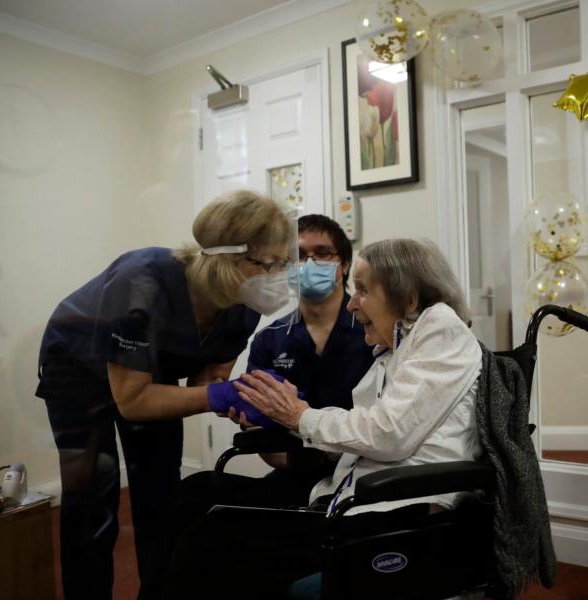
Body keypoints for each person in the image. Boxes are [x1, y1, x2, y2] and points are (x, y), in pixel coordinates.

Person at [163, 238, 483, 599]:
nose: (352, 303)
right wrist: (280, 416)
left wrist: (300, 416)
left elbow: (390, 434)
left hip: (396, 510)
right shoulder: (393, 348)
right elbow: (375, 429)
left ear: (407, 297)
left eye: (363, 291)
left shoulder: (440, 329)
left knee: (211, 535)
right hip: (351, 498)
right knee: (197, 491)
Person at [35, 190, 295, 599]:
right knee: (93, 497)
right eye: (268, 264)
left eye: (285, 263)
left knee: (161, 492)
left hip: (146, 374)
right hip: (76, 365)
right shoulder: (140, 282)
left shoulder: (244, 303)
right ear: (227, 258)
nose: (278, 276)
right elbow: (133, 400)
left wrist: (244, 400)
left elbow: (205, 384)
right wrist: (222, 396)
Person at [179, 214, 375, 513]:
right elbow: (258, 431)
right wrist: (249, 415)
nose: (309, 264)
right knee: (197, 496)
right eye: (298, 256)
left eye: (322, 253)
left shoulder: (373, 331)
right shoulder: (269, 339)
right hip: (296, 470)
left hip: (363, 474)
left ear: (344, 264)